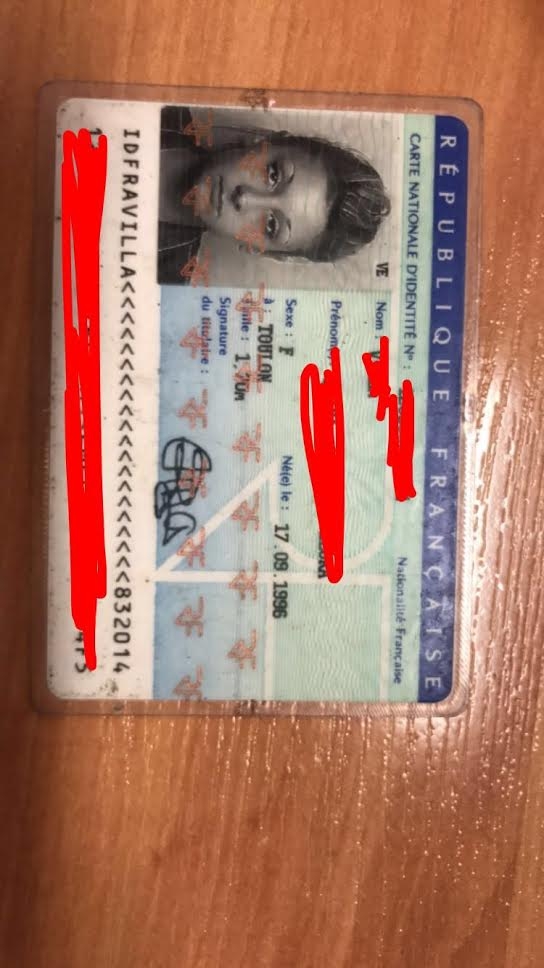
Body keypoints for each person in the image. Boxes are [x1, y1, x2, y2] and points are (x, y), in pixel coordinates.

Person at [158, 105, 391, 284]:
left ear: (261, 251)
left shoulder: (162, 284)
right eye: (272, 175)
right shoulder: (164, 101)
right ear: (263, 140)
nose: (245, 199)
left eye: (271, 225)